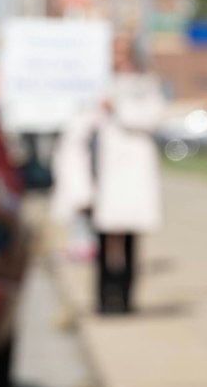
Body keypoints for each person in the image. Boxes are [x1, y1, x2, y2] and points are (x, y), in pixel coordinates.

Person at [53, 34, 165, 314]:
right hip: (102, 175)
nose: (118, 57)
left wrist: (118, 108)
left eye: (123, 51)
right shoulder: (97, 85)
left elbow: (152, 118)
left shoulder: (145, 85)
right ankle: (104, 298)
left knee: (129, 239)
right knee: (102, 240)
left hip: (132, 174)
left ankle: (126, 298)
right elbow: (78, 130)